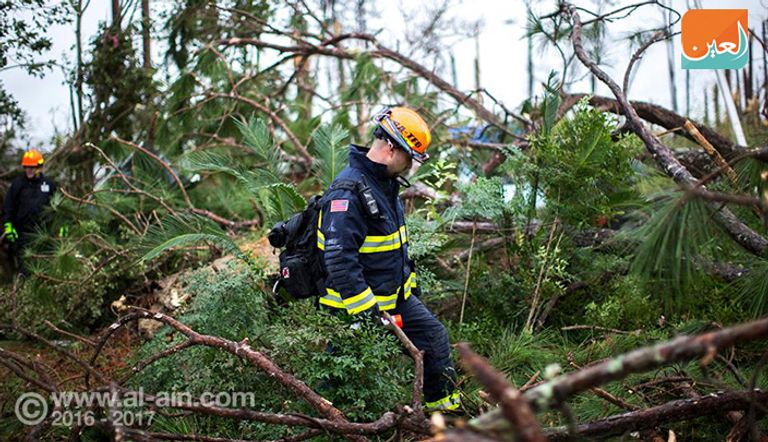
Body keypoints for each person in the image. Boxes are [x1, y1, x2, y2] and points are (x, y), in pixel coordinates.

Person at [316, 107, 461, 412]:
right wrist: (367, 313)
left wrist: (410, 292)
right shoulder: (348, 190)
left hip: (394, 299)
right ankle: (327, 421)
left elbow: (394, 250)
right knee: (343, 374)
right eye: (410, 157)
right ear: (392, 147)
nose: (410, 166)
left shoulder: (384, 185)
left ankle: (446, 417)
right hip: (352, 308)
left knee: (434, 339)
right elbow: (340, 262)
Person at [3, 149, 57, 274]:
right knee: (25, 268)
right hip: (23, 235)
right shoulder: (18, 184)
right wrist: (8, 227)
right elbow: (8, 207)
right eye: (27, 167)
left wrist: (62, 229)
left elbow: (58, 208)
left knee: (44, 269)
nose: (29, 170)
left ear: (39, 167)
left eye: (32, 167)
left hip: (44, 235)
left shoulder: (49, 184)